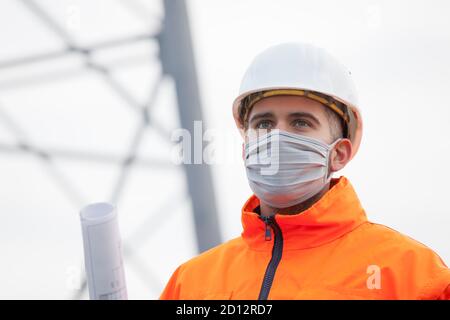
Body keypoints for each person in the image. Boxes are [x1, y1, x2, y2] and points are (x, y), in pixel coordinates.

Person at [160, 42, 450, 299]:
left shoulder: (411, 277)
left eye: (300, 123)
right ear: (244, 148)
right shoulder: (191, 284)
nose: (277, 137)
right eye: (263, 124)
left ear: (338, 154)